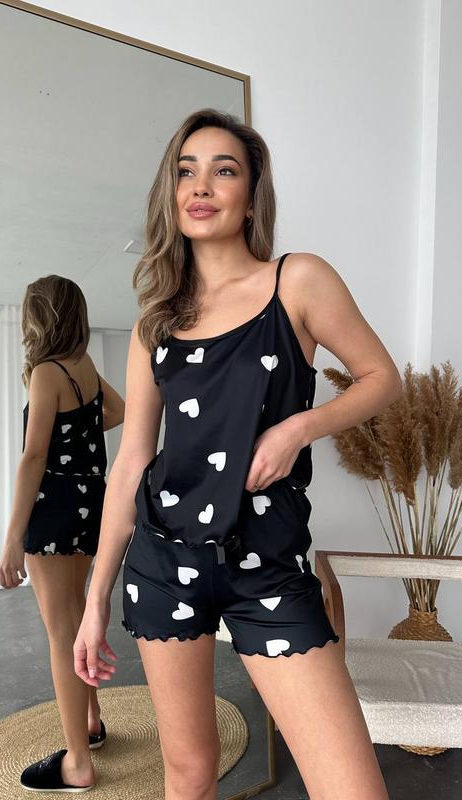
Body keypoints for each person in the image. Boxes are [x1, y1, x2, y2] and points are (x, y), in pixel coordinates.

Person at [75, 108, 401, 800]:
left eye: (223, 170)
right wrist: (95, 599)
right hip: (164, 562)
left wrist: (297, 429)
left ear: (251, 197)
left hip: (267, 563)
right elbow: (132, 462)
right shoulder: (156, 320)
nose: (201, 185)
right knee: (190, 774)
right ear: (171, 194)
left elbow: (382, 378)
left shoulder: (297, 281)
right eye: (186, 171)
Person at [0, 275, 125, 792]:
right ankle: (91, 723)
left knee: (61, 632)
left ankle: (77, 762)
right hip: (89, 502)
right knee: (78, 617)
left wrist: (13, 537)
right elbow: (117, 410)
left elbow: (33, 457)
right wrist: (79, 439)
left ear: (38, 319)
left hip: (52, 508)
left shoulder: (45, 373)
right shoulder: (84, 366)